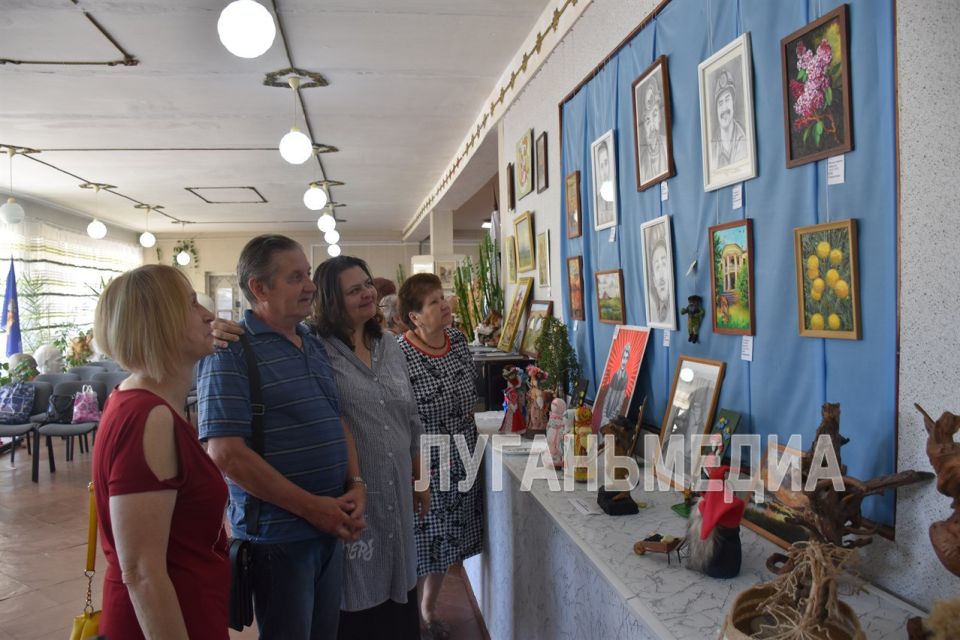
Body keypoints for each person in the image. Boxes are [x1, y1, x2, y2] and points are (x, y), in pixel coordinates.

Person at [198, 234, 366, 640]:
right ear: (259, 287)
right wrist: (313, 508)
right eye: (295, 277)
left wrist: (355, 484)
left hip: (329, 523)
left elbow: (335, 417)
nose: (310, 285)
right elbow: (226, 454)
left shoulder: (310, 341)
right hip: (279, 537)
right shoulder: (229, 351)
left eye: (307, 274)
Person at [91, 264, 229, 640]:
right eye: (190, 305)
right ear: (159, 324)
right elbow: (141, 571)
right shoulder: (147, 417)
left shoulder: (145, 403)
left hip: (188, 610)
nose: (208, 315)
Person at [397, 273, 483, 639]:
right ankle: (411, 620)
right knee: (422, 542)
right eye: (433, 302)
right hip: (424, 460)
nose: (444, 304)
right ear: (415, 317)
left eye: (442, 297)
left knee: (449, 543)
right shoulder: (399, 353)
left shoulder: (459, 340)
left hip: (463, 453)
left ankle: (428, 611)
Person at [712, 68, 748, 168]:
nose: (724, 109)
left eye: (727, 100)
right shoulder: (712, 146)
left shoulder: (743, 139)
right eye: (720, 103)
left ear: (733, 103)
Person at [595, 342, 632, 428]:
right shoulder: (615, 375)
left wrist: (611, 417)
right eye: (623, 357)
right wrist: (604, 415)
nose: (624, 360)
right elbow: (607, 396)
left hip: (613, 419)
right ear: (621, 358)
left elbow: (620, 402)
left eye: (626, 358)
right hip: (605, 416)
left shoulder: (626, 378)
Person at [640, 81, 669, 180]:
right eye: (647, 119)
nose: (652, 125)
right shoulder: (642, 162)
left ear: (660, 116)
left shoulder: (666, 145)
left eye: (655, 114)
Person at [645, 226, 673, 324]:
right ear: (654, 280)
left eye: (664, 264)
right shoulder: (654, 312)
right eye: (657, 267)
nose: (661, 275)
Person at [594, 138, 615, 226]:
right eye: (601, 166)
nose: (605, 171)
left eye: (606, 163)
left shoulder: (616, 194)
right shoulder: (598, 200)